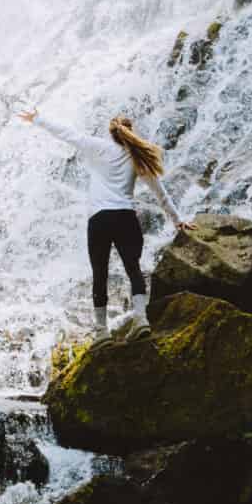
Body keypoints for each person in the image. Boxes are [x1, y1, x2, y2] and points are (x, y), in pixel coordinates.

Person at [19, 105, 187, 335]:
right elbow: (161, 193)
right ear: (131, 132)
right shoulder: (137, 157)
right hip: (126, 217)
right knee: (133, 269)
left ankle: (101, 331)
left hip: (99, 219)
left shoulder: (99, 148)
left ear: (112, 133)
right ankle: (141, 320)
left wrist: (38, 119)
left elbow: (68, 133)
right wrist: (178, 221)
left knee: (100, 274)